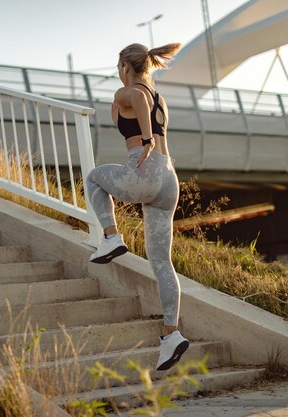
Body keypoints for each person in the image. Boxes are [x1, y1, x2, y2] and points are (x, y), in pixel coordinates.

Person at [85, 43, 189, 371]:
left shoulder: (128, 91)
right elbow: (142, 105)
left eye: (119, 67)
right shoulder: (160, 98)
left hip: (144, 170)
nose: (118, 73)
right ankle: (171, 334)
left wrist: (145, 140)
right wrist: (139, 130)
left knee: (94, 178)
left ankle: (112, 236)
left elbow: (137, 100)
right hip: (168, 180)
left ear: (125, 66)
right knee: (161, 262)